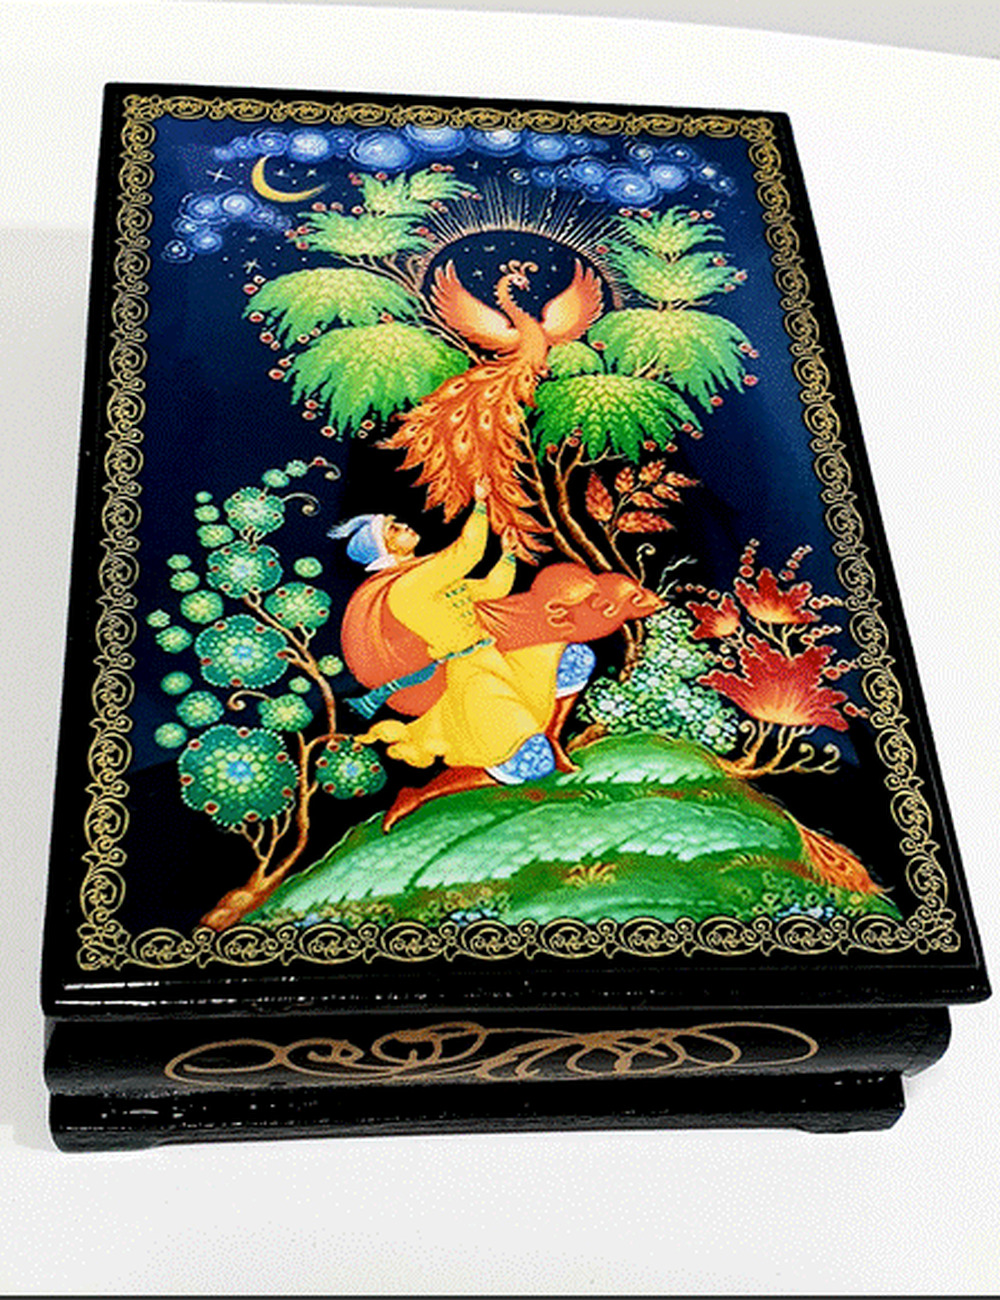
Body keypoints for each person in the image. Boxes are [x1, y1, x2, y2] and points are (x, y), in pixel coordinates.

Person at [331, 479, 661, 829]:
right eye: (393, 529)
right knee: (531, 763)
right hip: (473, 678)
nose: (404, 526)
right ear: (385, 550)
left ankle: (552, 736)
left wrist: (506, 555)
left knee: (574, 658)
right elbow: (467, 553)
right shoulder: (407, 588)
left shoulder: (425, 576)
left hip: (496, 657)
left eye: (397, 522)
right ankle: (420, 794)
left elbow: (491, 589)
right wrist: (479, 505)